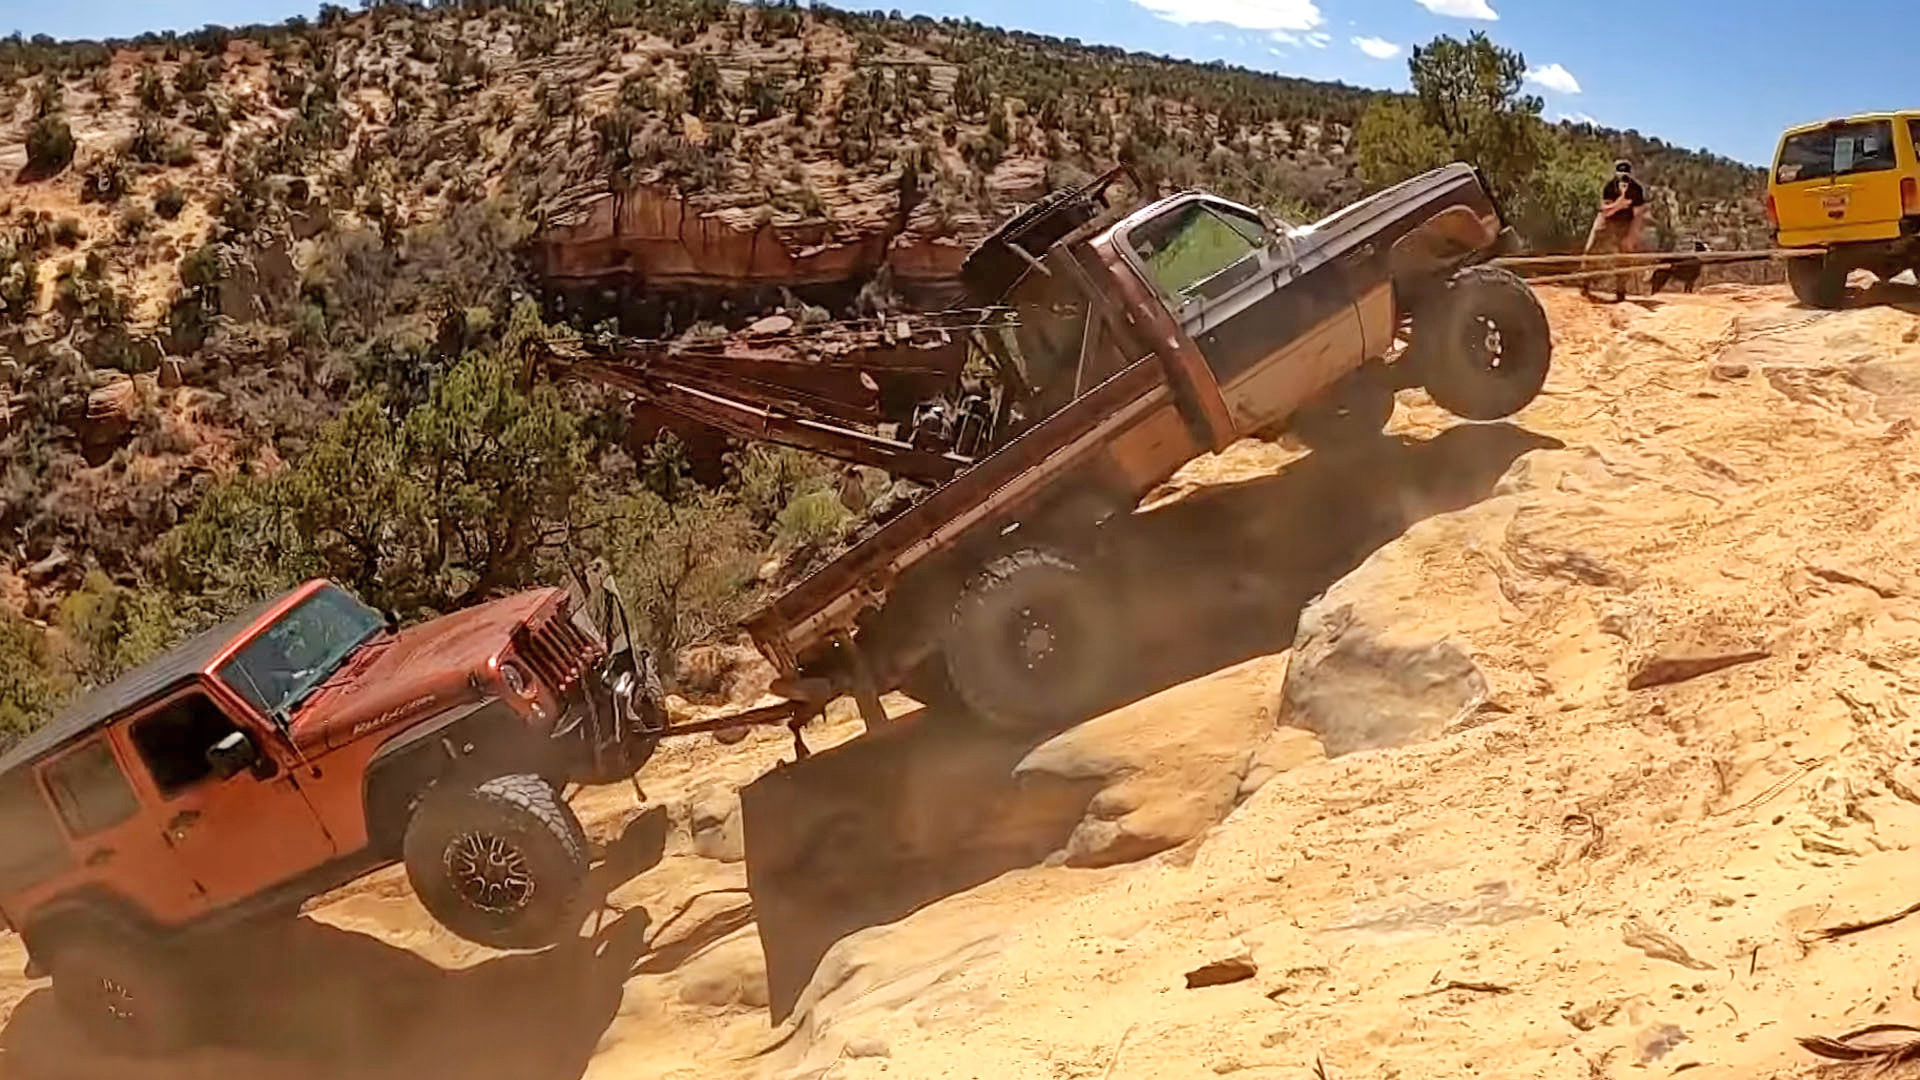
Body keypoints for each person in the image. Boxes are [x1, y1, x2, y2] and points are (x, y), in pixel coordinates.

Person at [1582, 160, 1650, 302]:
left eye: (1626, 177)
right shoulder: (1609, 186)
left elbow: (1638, 215)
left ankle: (1620, 291)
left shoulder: (1636, 189)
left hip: (1625, 222)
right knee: (1592, 247)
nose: (1624, 181)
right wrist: (1619, 204)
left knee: (1625, 254)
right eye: (1621, 177)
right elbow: (1605, 211)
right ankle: (1585, 282)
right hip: (1607, 219)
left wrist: (1631, 236)